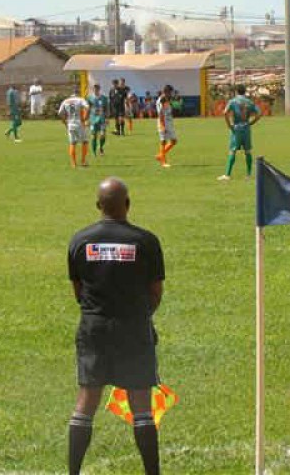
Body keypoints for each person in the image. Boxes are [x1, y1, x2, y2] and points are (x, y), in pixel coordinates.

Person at [66, 177, 165, 475]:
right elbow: (155, 291)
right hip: (134, 327)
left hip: (94, 328)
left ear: (98, 206)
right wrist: (140, 315)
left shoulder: (80, 240)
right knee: (141, 403)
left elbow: (78, 290)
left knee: (86, 400)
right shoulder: (145, 241)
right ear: (128, 204)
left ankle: (73, 472)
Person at [218, 83, 261, 181]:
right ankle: (249, 175)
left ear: (236, 91)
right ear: (244, 91)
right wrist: (252, 122)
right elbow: (259, 113)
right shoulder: (249, 102)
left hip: (236, 128)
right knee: (248, 151)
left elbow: (225, 113)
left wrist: (229, 125)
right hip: (246, 127)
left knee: (232, 150)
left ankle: (227, 175)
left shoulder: (233, 101)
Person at [58, 90, 90, 168]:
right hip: (79, 123)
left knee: (72, 143)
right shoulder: (80, 99)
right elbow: (88, 107)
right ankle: (83, 161)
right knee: (85, 141)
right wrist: (85, 118)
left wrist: (64, 122)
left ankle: (73, 163)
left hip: (70, 124)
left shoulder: (65, 101)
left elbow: (59, 113)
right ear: (78, 94)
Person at [155, 84, 177, 168]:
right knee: (163, 141)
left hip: (169, 122)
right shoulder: (161, 100)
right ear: (166, 92)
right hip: (163, 122)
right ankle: (163, 162)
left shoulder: (167, 99)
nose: (171, 94)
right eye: (170, 92)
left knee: (174, 141)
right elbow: (160, 114)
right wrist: (162, 126)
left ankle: (160, 155)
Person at [87, 83, 109, 156]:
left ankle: (101, 148)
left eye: (97, 88)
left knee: (102, 135)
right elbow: (87, 109)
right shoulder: (89, 98)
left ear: (99, 89)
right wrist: (87, 120)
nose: (95, 89)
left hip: (102, 119)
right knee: (94, 136)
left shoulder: (104, 98)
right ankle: (94, 152)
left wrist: (107, 118)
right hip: (93, 119)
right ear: (93, 89)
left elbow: (107, 109)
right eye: (94, 88)